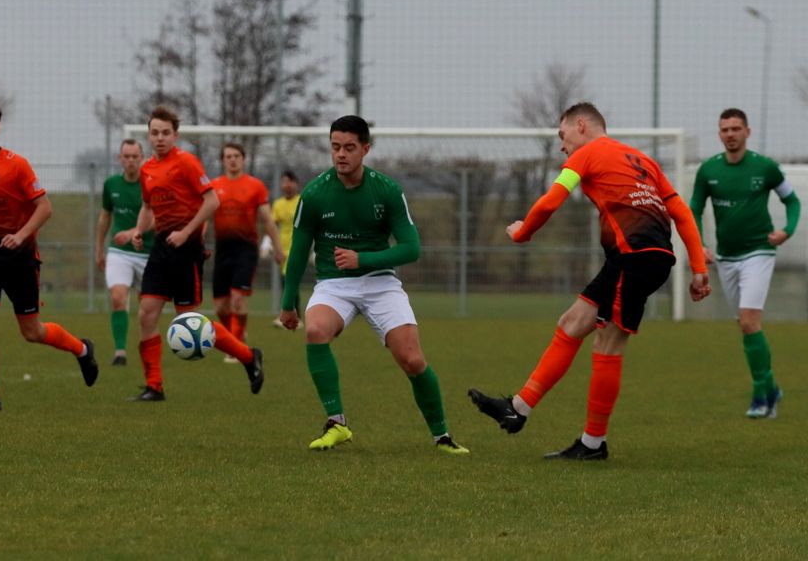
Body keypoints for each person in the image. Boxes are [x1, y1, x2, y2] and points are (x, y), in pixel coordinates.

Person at [468, 102, 711, 460]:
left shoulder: (587, 154)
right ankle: (517, 408)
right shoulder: (644, 160)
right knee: (572, 323)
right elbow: (681, 213)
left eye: (562, 134)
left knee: (607, 344)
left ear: (580, 125)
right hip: (637, 258)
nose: (561, 145)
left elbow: (551, 201)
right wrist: (699, 266)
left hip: (634, 258)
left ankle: (593, 444)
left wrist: (523, 232)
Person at [278, 115, 469, 454]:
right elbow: (298, 251)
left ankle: (442, 436)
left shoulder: (387, 190)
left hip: (381, 283)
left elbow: (411, 249)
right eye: (335, 147)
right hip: (334, 285)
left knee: (413, 360)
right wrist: (288, 302)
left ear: (366, 149)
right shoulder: (316, 194)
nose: (341, 154)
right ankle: (337, 423)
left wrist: (362, 259)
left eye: (349, 147)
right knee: (316, 330)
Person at [0, 99, 98, 411]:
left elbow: (45, 207)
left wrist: (21, 235)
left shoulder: (17, 165)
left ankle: (82, 349)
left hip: (20, 255)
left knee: (32, 331)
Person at [123, 106, 264, 401]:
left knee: (189, 320)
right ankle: (154, 386)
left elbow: (211, 201)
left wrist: (186, 232)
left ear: (175, 135)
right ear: (149, 136)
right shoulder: (147, 169)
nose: (160, 138)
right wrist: (139, 230)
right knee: (146, 313)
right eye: (154, 133)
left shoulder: (186, 162)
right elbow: (148, 207)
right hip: (161, 248)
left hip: (187, 249)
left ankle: (248, 356)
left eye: (165, 133)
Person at [690, 108, 799, 419]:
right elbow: (694, 209)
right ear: (719, 134)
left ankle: (762, 397)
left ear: (747, 132)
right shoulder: (708, 170)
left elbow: (792, 200)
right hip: (726, 257)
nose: (730, 134)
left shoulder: (765, 167)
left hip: (759, 253)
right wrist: (699, 245)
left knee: (749, 322)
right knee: (745, 325)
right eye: (725, 129)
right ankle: (772, 387)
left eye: (736, 128)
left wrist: (787, 230)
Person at [209, 142, 284, 359]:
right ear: (223, 160)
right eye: (228, 156)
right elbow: (204, 217)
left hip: (246, 250)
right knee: (221, 306)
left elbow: (268, 220)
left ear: (243, 159)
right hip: (222, 249)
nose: (232, 160)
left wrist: (278, 248)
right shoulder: (214, 186)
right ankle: (233, 336)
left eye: (236, 156)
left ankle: (236, 344)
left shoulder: (255, 186)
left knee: (237, 299)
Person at [95, 138, 152, 366]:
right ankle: (120, 352)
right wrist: (99, 249)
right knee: (118, 297)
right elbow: (104, 217)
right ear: (120, 159)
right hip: (119, 252)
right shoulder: (111, 184)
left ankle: (147, 348)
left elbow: (157, 217)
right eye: (126, 156)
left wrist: (133, 232)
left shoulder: (150, 183)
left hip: (148, 252)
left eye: (135, 156)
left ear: (142, 158)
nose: (130, 161)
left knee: (147, 307)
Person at [270, 170, 301, 326]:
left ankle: (289, 315)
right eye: (284, 182)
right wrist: (273, 248)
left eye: (289, 181)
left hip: (298, 247)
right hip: (282, 249)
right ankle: (295, 316)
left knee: (289, 281)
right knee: (289, 282)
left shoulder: (301, 201)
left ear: (296, 184)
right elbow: (272, 226)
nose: (286, 185)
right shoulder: (278, 204)